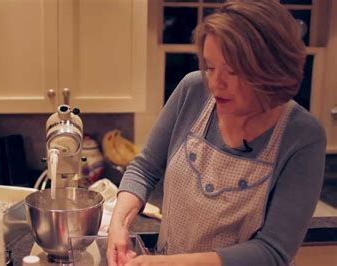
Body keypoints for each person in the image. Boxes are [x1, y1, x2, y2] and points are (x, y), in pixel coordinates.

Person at [106, 0, 327, 265]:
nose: (215, 83)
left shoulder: (302, 136)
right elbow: (144, 169)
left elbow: (272, 252)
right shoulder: (192, 91)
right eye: (210, 67)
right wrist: (118, 224)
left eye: (233, 71)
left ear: (272, 72)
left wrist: (169, 264)